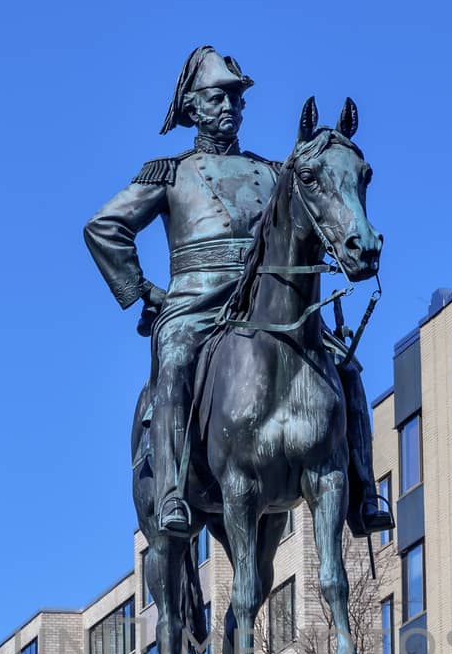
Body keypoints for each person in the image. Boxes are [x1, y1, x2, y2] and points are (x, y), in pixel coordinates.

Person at [84, 45, 393, 537]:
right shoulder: (170, 172)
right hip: (194, 300)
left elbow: (302, 223)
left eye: (235, 99)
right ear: (192, 108)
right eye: (217, 99)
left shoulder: (274, 172)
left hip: (261, 299)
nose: (228, 107)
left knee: (345, 365)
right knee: (177, 355)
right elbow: (104, 227)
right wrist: (144, 291)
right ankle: (170, 492)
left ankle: (362, 488)